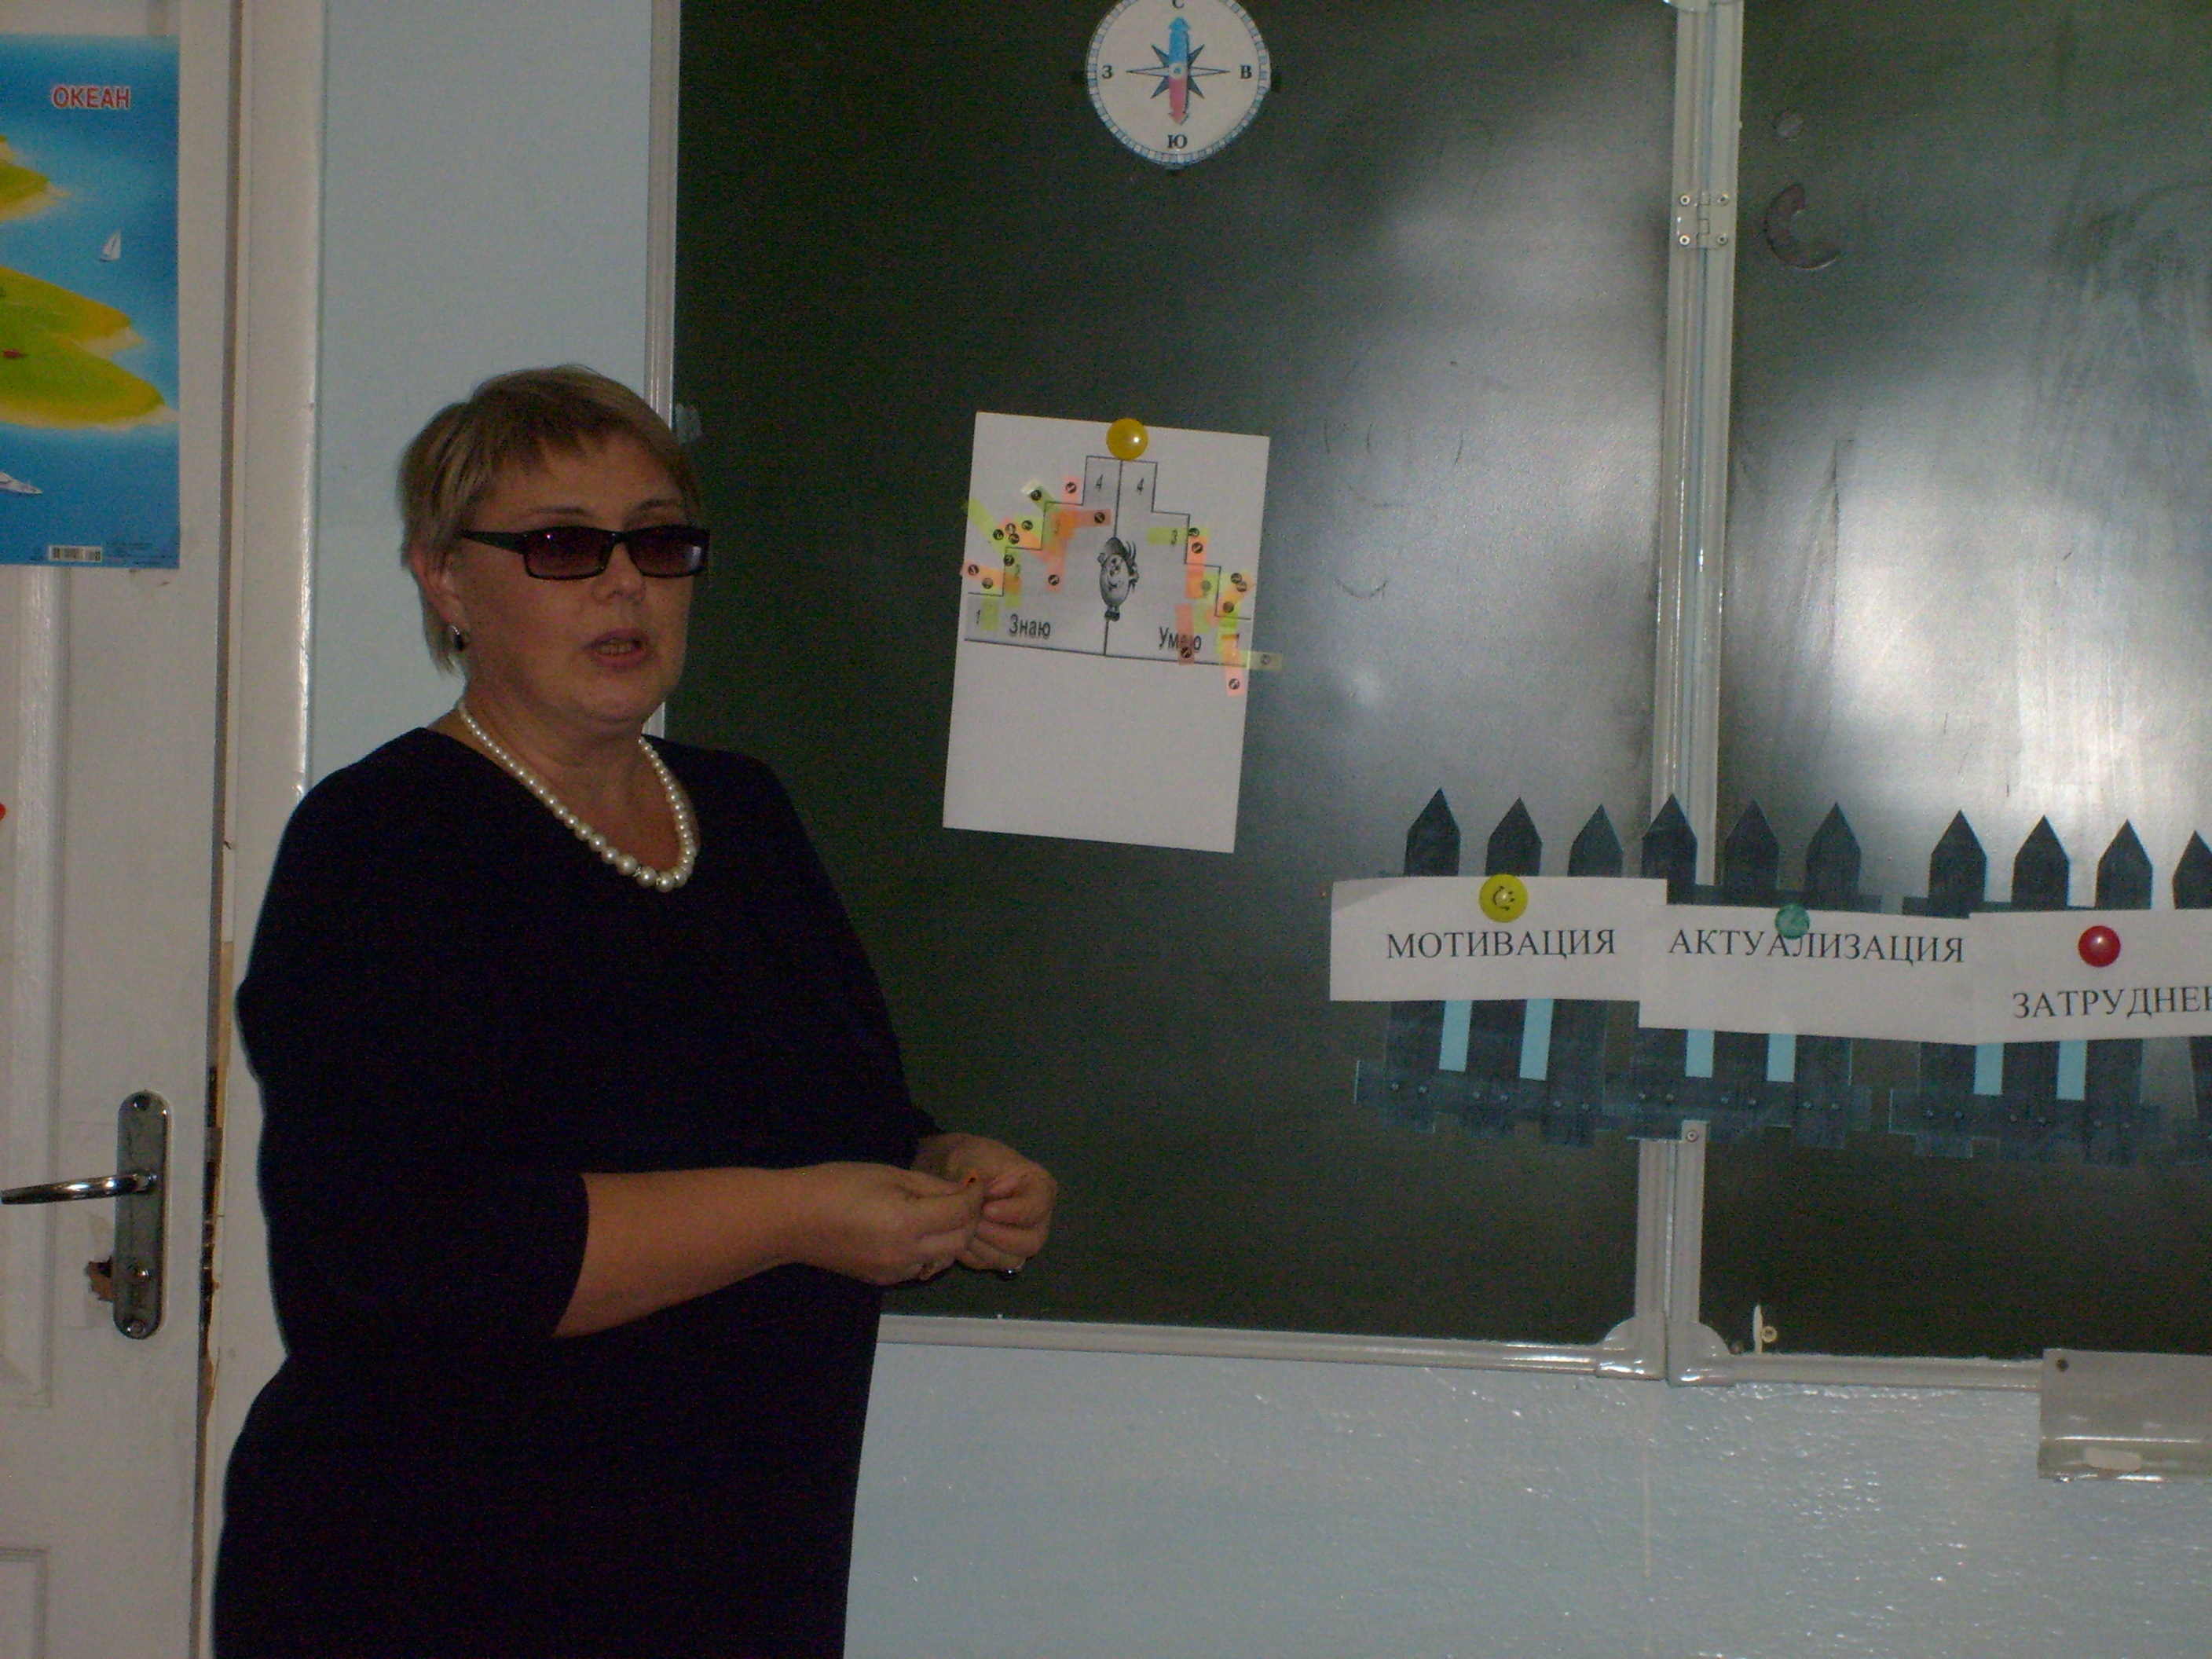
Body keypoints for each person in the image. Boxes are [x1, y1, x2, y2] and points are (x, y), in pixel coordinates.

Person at [213, 365, 1057, 1658]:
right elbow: (422, 1253)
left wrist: (946, 1169)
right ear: (445, 580)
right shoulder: (382, 843)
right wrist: (800, 1214)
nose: (625, 585)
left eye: (659, 543)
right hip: (441, 1572)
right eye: (564, 546)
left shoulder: (744, 812)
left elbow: (836, 1107)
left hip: (733, 1565)